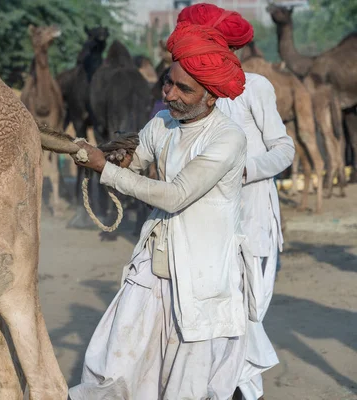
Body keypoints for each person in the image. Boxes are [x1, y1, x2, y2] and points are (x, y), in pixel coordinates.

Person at [68, 22, 251, 400]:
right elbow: (138, 160)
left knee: (186, 386)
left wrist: (107, 170)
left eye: (184, 88)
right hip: (152, 268)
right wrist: (114, 155)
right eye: (169, 83)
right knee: (114, 367)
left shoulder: (227, 137)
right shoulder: (163, 122)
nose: (169, 93)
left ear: (212, 95)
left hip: (200, 277)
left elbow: (174, 196)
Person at [178, 4, 296, 399]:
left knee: (247, 320)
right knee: (214, 324)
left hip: (254, 219)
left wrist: (242, 170)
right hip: (206, 227)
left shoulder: (255, 87)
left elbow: (284, 149)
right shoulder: (184, 94)